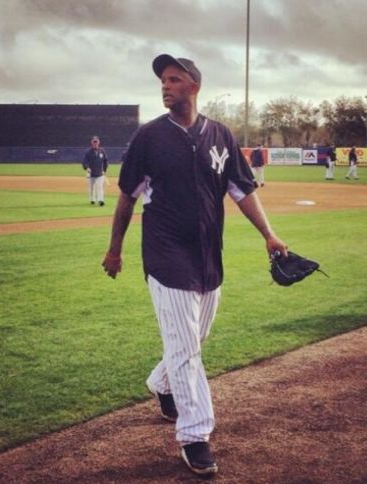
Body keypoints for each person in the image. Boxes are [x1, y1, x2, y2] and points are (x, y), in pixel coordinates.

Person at [102, 54, 288, 476]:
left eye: (174, 79)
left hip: (207, 256)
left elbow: (242, 190)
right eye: (162, 81)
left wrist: (269, 235)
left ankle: (161, 383)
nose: (165, 86)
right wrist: (115, 250)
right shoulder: (149, 138)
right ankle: (195, 434)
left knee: (192, 341)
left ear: (194, 86)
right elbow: (128, 197)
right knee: (185, 349)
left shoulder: (220, 135)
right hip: (165, 254)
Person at [83, 136, 109, 206]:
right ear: (92, 142)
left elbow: (105, 161)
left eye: (96, 142)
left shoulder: (102, 151)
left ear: (99, 142)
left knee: (100, 187)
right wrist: (87, 167)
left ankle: (101, 200)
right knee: (91, 188)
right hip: (90, 173)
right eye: (94, 142)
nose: (95, 143)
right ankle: (92, 200)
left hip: (99, 173)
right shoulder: (88, 152)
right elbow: (85, 161)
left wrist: (104, 170)